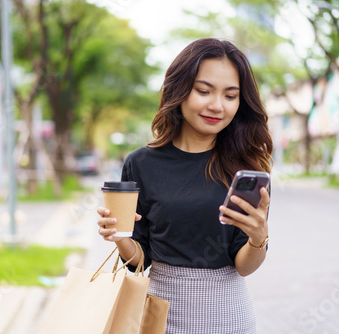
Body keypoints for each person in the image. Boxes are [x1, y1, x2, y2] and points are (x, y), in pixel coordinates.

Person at [97, 38, 273, 334]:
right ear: (179, 90)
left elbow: (244, 265)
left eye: (230, 96)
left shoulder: (247, 169)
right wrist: (118, 236)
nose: (216, 105)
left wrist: (259, 237)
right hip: (159, 314)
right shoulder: (141, 163)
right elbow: (139, 260)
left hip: (229, 317)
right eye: (203, 91)